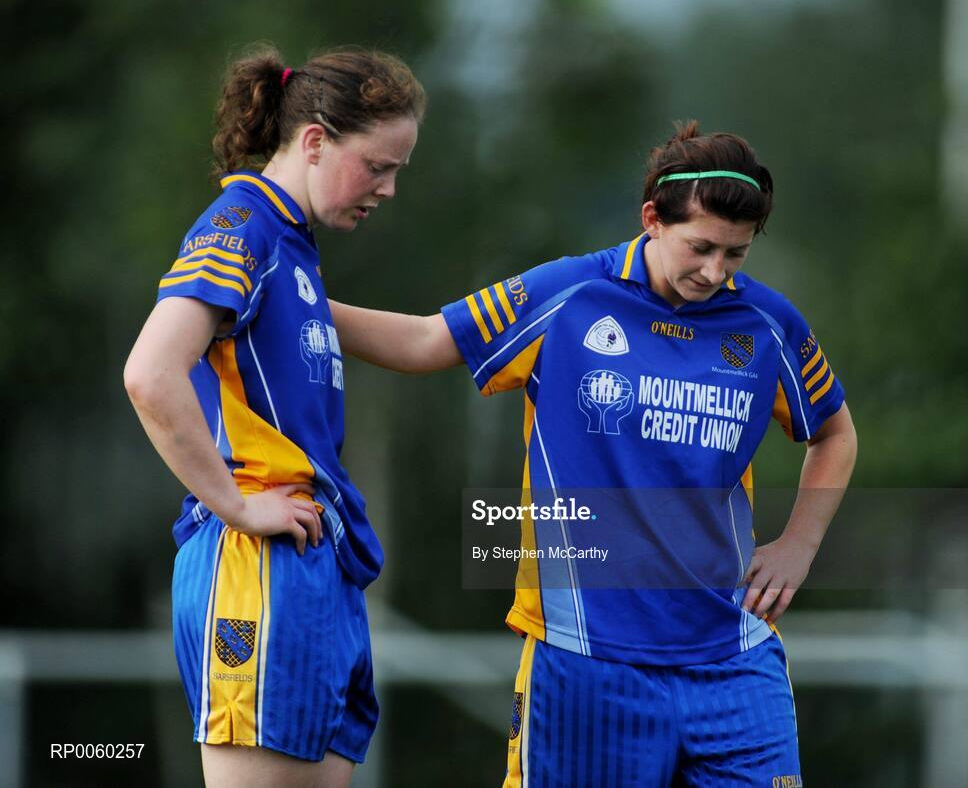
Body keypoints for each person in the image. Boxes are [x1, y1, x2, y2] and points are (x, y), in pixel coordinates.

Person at [330, 120, 857, 786]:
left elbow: (835, 432)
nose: (714, 271)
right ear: (651, 219)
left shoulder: (767, 323)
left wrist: (800, 544)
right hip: (585, 660)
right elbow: (428, 339)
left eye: (736, 255)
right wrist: (300, 305)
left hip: (733, 658)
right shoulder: (572, 294)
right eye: (700, 247)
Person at [123, 44, 424, 787]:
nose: (387, 191)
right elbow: (150, 373)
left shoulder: (294, 247)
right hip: (257, 566)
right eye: (377, 167)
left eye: (397, 173)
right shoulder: (243, 224)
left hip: (316, 562)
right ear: (315, 140)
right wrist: (234, 504)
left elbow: (419, 339)